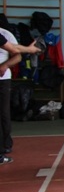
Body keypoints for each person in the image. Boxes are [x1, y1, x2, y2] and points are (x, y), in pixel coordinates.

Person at [0, 27, 22, 165]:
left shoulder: (5, 34)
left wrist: (5, 65)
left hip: (2, 80)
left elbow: (18, 54)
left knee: (3, 113)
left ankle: (5, 145)